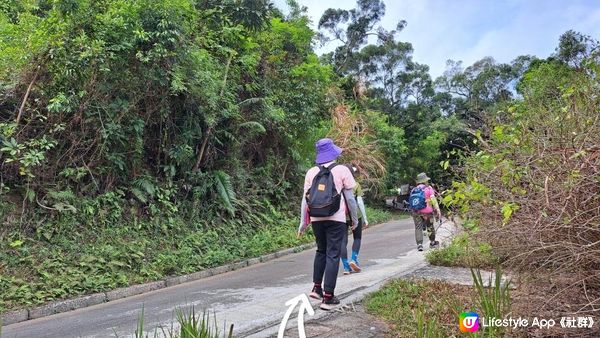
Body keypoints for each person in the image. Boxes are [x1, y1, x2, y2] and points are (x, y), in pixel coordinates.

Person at [298, 138, 359, 310]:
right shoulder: (342, 170)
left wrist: (303, 222)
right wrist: (354, 220)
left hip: (317, 218)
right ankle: (328, 297)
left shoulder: (311, 172)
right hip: (336, 219)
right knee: (333, 254)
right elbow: (350, 199)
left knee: (321, 251)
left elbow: (305, 200)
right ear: (333, 152)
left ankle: (317, 288)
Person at [341, 164, 368, 274]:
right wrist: (365, 218)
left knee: (342, 241)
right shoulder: (355, 185)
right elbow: (360, 203)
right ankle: (354, 259)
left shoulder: (338, 186)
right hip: (355, 215)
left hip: (341, 216)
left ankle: (346, 267)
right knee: (357, 238)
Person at [410, 173, 441, 251]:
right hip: (427, 212)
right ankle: (433, 243)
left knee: (418, 227)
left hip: (416, 211)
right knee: (430, 226)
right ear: (425, 181)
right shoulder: (428, 188)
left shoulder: (414, 190)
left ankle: (419, 245)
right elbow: (433, 200)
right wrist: (437, 209)